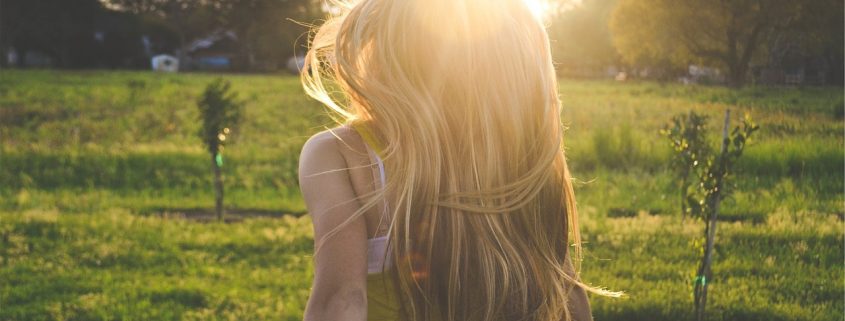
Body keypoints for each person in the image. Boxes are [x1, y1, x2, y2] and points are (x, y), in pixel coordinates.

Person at [297, 1, 620, 320]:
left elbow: (342, 298)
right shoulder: (517, 163)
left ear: (385, 52)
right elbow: (565, 289)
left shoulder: (339, 153)